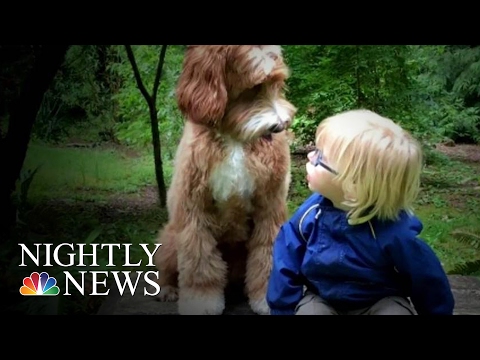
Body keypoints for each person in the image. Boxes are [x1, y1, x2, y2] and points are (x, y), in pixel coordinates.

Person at [266, 109, 455, 315]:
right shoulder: (310, 214)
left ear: (353, 187)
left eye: (320, 157)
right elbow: (286, 263)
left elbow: (426, 277)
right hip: (322, 297)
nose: (310, 156)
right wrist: (283, 309)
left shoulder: (394, 231)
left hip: (380, 300)